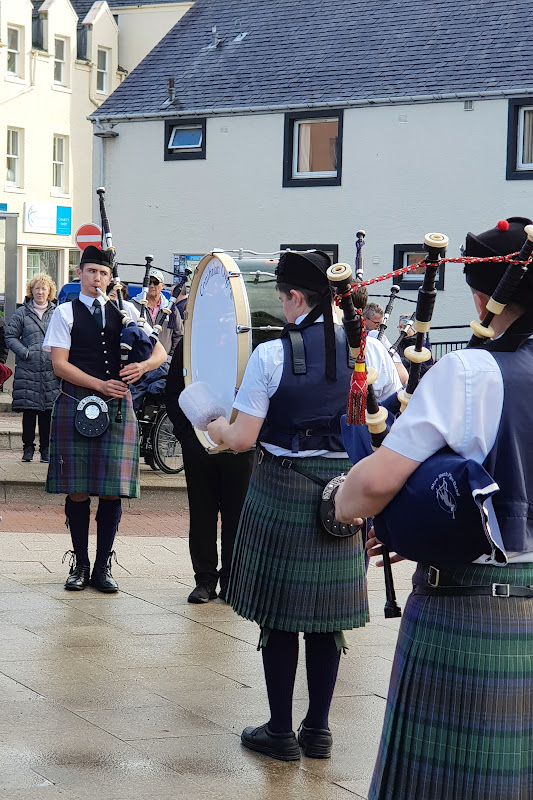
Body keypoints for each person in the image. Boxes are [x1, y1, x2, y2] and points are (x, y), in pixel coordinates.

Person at [335, 217, 533, 800]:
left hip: (468, 610)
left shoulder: (470, 371)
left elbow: (375, 484)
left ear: (480, 296)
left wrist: (345, 504)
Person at [205, 250, 372, 763]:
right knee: (327, 618)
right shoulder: (369, 350)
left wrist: (209, 422)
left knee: (279, 617)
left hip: (282, 487)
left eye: (282, 298)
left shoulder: (271, 355)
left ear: (297, 297)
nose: (282, 308)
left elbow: (241, 438)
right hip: (343, 494)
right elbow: (388, 412)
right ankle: (317, 730)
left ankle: (280, 731)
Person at [43, 246, 166, 593]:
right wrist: (99, 383)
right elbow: (59, 364)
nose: (97, 278)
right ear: (79, 274)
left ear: (111, 278)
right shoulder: (64, 313)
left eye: (103, 273)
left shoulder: (126, 311)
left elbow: (159, 351)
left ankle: (102, 567)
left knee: (112, 492)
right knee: (79, 489)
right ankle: (80, 564)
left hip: (116, 407)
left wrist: (141, 366)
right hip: (76, 401)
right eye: (91, 271)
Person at [165, 339, 254, 603]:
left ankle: (232, 581)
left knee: (237, 517)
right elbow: (173, 393)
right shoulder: (192, 340)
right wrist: (189, 437)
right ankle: (204, 579)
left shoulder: (245, 336)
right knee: (202, 514)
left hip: (241, 446)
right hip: (198, 444)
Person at [5, 273, 60, 462]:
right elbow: (10, 337)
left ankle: (45, 449)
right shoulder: (22, 313)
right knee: (29, 412)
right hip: (28, 370)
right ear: (31, 290)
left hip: (50, 370)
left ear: (49, 291)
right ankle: (28, 448)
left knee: (47, 412)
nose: (40, 292)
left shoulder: (57, 312)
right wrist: (24, 352)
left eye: (44, 288)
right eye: (37, 288)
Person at [129, 267, 183, 409]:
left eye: (155, 282)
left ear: (162, 286)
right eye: (148, 282)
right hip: (140, 359)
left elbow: (178, 335)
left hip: (163, 360)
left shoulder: (171, 309)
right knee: (136, 389)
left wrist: (170, 356)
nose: (152, 286)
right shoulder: (134, 305)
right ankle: (132, 419)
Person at [363, 301, 409, 384]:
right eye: (376, 323)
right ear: (364, 319)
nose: (379, 328)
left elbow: (403, 375)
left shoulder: (376, 335)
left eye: (380, 324)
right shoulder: (373, 335)